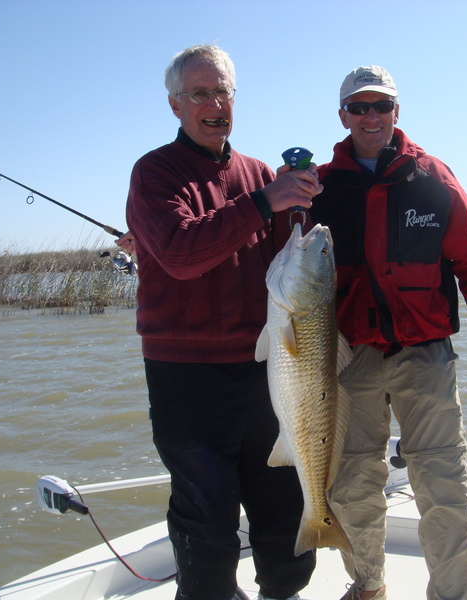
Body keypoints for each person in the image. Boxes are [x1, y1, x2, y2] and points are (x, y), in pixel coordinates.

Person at [124, 45, 323, 600]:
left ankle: (283, 591)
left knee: (282, 497)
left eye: (222, 91)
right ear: (175, 105)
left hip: (267, 368)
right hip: (186, 376)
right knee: (205, 511)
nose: (214, 104)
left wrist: (300, 205)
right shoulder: (155, 172)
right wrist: (264, 202)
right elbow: (180, 254)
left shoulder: (258, 174)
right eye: (199, 94)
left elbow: (288, 263)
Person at [309, 66, 467, 600]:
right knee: (351, 483)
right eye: (359, 107)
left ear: (396, 112)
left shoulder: (432, 177)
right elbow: (280, 263)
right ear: (343, 116)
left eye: (381, 106)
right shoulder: (320, 187)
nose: (370, 116)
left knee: (443, 485)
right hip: (350, 358)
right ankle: (368, 586)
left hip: (425, 355)